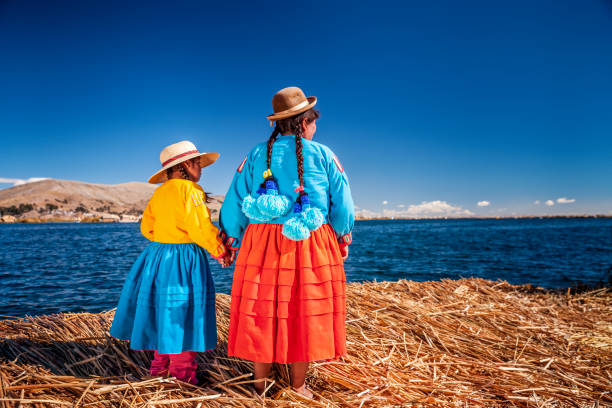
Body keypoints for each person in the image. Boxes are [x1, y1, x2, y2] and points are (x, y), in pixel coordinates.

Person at [219, 86, 354, 397]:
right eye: (314, 122)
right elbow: (342, 202)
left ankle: (258, 385)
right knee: (303, 310)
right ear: (304, 122)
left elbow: (235, 200)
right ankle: (298, 385)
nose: (315, 128)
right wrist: (342, 236)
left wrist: (230, 240)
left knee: (262, 310)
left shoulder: (255, 154)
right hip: (308, 240)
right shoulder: (323, 154)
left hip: (261, 243)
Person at [110, 140, 232, 385]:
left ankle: (159, 370)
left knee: (165, 313)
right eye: (198, 163)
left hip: (156, 257)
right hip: (183, 261)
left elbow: (147, 228)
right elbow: (199, 229)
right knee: (183, 315)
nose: (201, 168)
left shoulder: (159, 193)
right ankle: (183, 377)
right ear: (187, 164)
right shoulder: (191, 192)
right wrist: (221, 251)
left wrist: (165, 240)